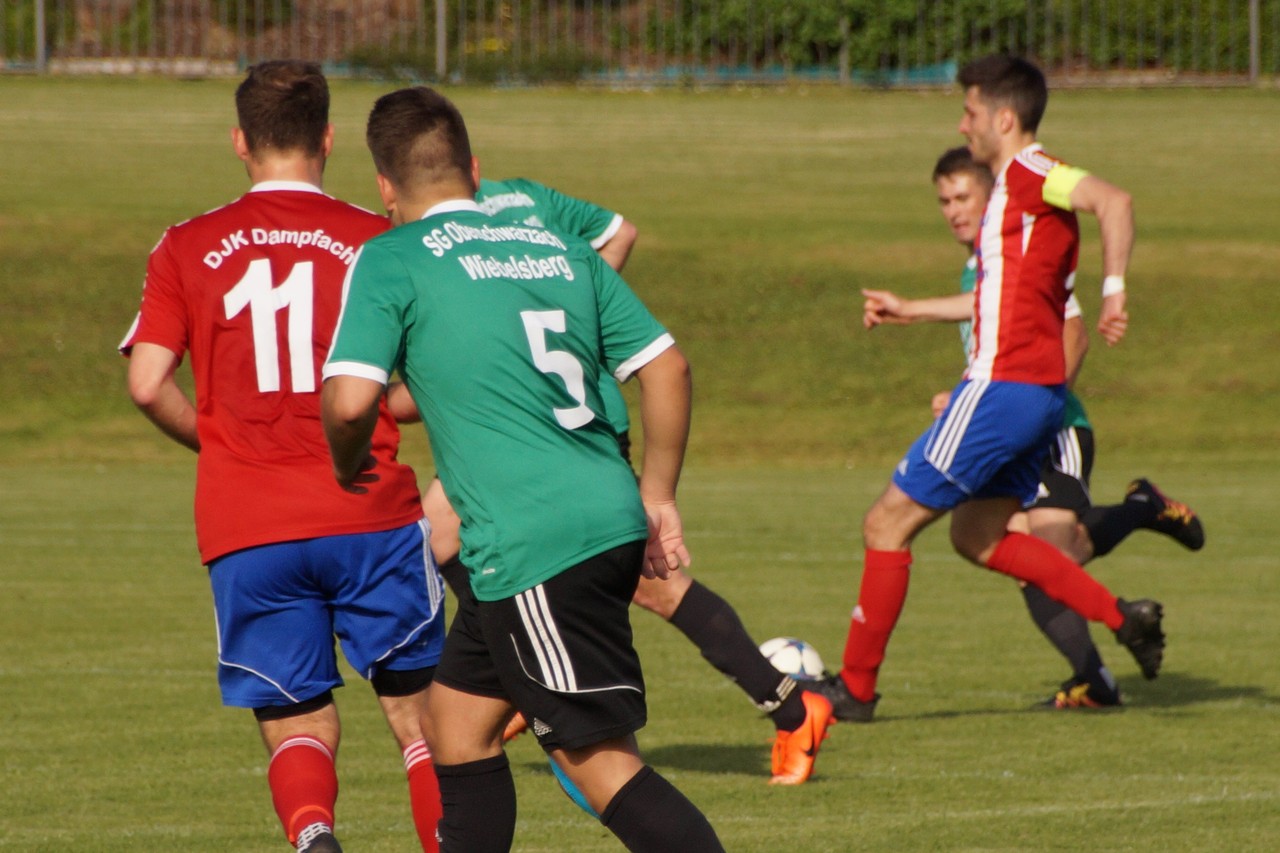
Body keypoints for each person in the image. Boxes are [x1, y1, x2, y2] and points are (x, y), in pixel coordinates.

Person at [320, 86, 724, 852]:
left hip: (532, 544)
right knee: (455, 725)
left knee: (600, 763)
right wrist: (659, 495)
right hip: (595, 513)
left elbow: (348, 404)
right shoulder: (557, 246)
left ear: (384, 186)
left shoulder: (393, 255)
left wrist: (347, 466)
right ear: (472, 170)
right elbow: (667, 366)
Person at [120, 60, 446, 853]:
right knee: (423, 720)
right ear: (327, 139)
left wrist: (223, 441)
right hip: (369, 512)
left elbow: (146, 382)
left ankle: (314, 836)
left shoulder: (186, 244)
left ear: (241, 141)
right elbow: (431, 378)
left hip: (248, 522)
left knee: (297, 718)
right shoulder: (378, 240)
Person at [414, 176, 830, 785]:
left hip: (556, 425)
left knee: (654, 584)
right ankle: (519, 671)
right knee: (441, 532)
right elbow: (620, 232)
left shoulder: (444, 234)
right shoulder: (528, 196)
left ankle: (794, 709)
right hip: (556, 416)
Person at [811, 54, 1167, 724]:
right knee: (977, 536)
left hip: (1003, 389)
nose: (962, 123)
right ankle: (1124, 617)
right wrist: (912, 308)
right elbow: (998, 300)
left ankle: (855, 691)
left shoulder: (1031, 171)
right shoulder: (1013, 198)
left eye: (970, 111)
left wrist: (1116, 291)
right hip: (1033, 397)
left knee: (885, 523)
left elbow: (1114, 201)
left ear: (1004, 119)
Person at [859, 146, 1205, 711]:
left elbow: (1075, 336)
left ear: (992, 195)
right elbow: (991, 341)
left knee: (1053, 557)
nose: (953, 211)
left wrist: (1034, 410)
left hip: (1054, 430)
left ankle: (1140, 519)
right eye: (944, 201)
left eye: (964, 197)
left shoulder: (1023, 252)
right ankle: (1100, 670)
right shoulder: (982, 266)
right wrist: (924, 329)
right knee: (1013, 553)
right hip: (1011, 427)